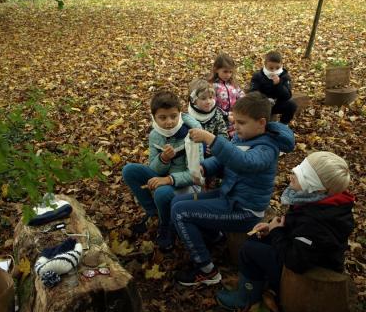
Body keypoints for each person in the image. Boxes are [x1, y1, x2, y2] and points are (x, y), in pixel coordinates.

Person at [171, 91, 295, 286]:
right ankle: (214, 236)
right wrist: (205, 167)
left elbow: (244, 162)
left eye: (242, 123)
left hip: (244, 210)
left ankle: (206, 269)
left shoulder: (267, 148)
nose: (235, 127)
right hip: (228, 196)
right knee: (178, 201)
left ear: (261, 122)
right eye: (235, 121)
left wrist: (211, 139)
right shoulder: (242, 137)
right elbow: (224, 160)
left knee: (180, 212)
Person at [216, 151, 355, 310]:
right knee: (257, 239)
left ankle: (246, 297)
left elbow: (296, 260)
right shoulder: (319, 203)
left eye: (304, 173)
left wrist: (276, 232)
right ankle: (258, 279)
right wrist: (271, 227)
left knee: (249, 250)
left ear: (316, 187)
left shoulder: (318, 222)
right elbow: (300, 225)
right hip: (305, 252)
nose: (294, 171)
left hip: (311, 270)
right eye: (300, 166)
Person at [122, 90, 203, 252]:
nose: (169, 122)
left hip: (186, 186)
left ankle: (166, 225)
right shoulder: (155, 135)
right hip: (163, 178)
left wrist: (169, 180)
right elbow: (153, 167)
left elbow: (196, 174)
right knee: (130, 170)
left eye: (173, 116)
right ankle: (154, 213)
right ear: (154, 118)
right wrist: (163, 159)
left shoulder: (192, 134)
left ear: (180, 114)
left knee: (162, 192)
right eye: (163, 118)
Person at [249, 51, 297, 125]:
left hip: (276, 105)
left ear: (281, 65)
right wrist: (265, 100)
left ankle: (283, 125)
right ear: (265, 65)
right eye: (271, 68)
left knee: (292, 105)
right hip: (261, 105)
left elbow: (287, 96)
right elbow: (253, 92)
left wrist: (278, 85)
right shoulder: (258, 76)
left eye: (277, 68)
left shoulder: (284, 76)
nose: (274, 71)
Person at [188, 79, 229, 156]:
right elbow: (187, 137)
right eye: (203, 98)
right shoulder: (188, 116)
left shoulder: (216, 113)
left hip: (215, 149)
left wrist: (216, 145)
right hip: (196, 152)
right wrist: (202, 146)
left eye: (210, 97)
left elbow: (223, 132)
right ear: (194, 100)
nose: (208, 101)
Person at [211, 52, 245, 137]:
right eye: (225, 71)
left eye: (230, 72)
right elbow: (212, 105)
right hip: (220, 120)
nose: (228, 75)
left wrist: (245, 103)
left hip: (235, 118)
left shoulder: (233, 84)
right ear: (216, 69)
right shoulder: (213, 86)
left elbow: (241, 95)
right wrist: (226, 115)